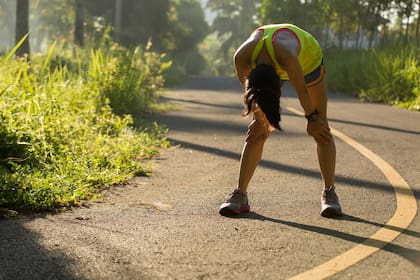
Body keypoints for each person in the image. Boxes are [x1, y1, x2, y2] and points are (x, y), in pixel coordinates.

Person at [219, 23, 342, 218]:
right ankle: (240, 194)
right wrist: (260, 119)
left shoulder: (287, 56)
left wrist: (313, 119)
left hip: (308, 63)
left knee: (321, 126)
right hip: (270, 62)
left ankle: (330, 193)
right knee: (257, 129)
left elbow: (302, 93)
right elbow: (251, 95)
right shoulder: (241, 58)